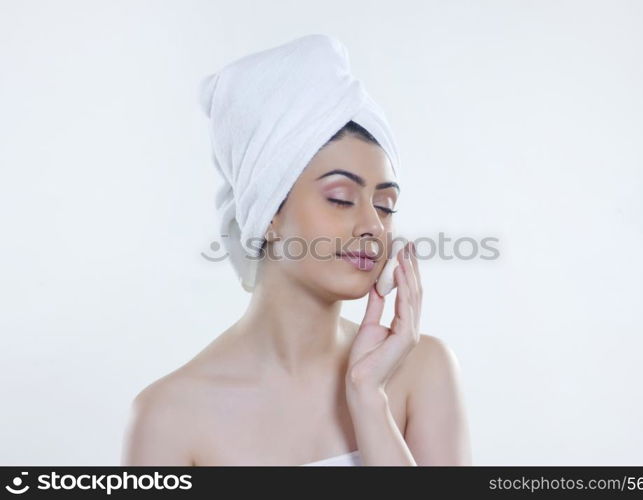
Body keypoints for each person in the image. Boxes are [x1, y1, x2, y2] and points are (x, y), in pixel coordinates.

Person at [120, 35, 472, 466]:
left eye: (385, 205)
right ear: (268, 211)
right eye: (341, 198)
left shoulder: (423, 371)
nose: (373, 226)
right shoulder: (168, 418)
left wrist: (370, 400)